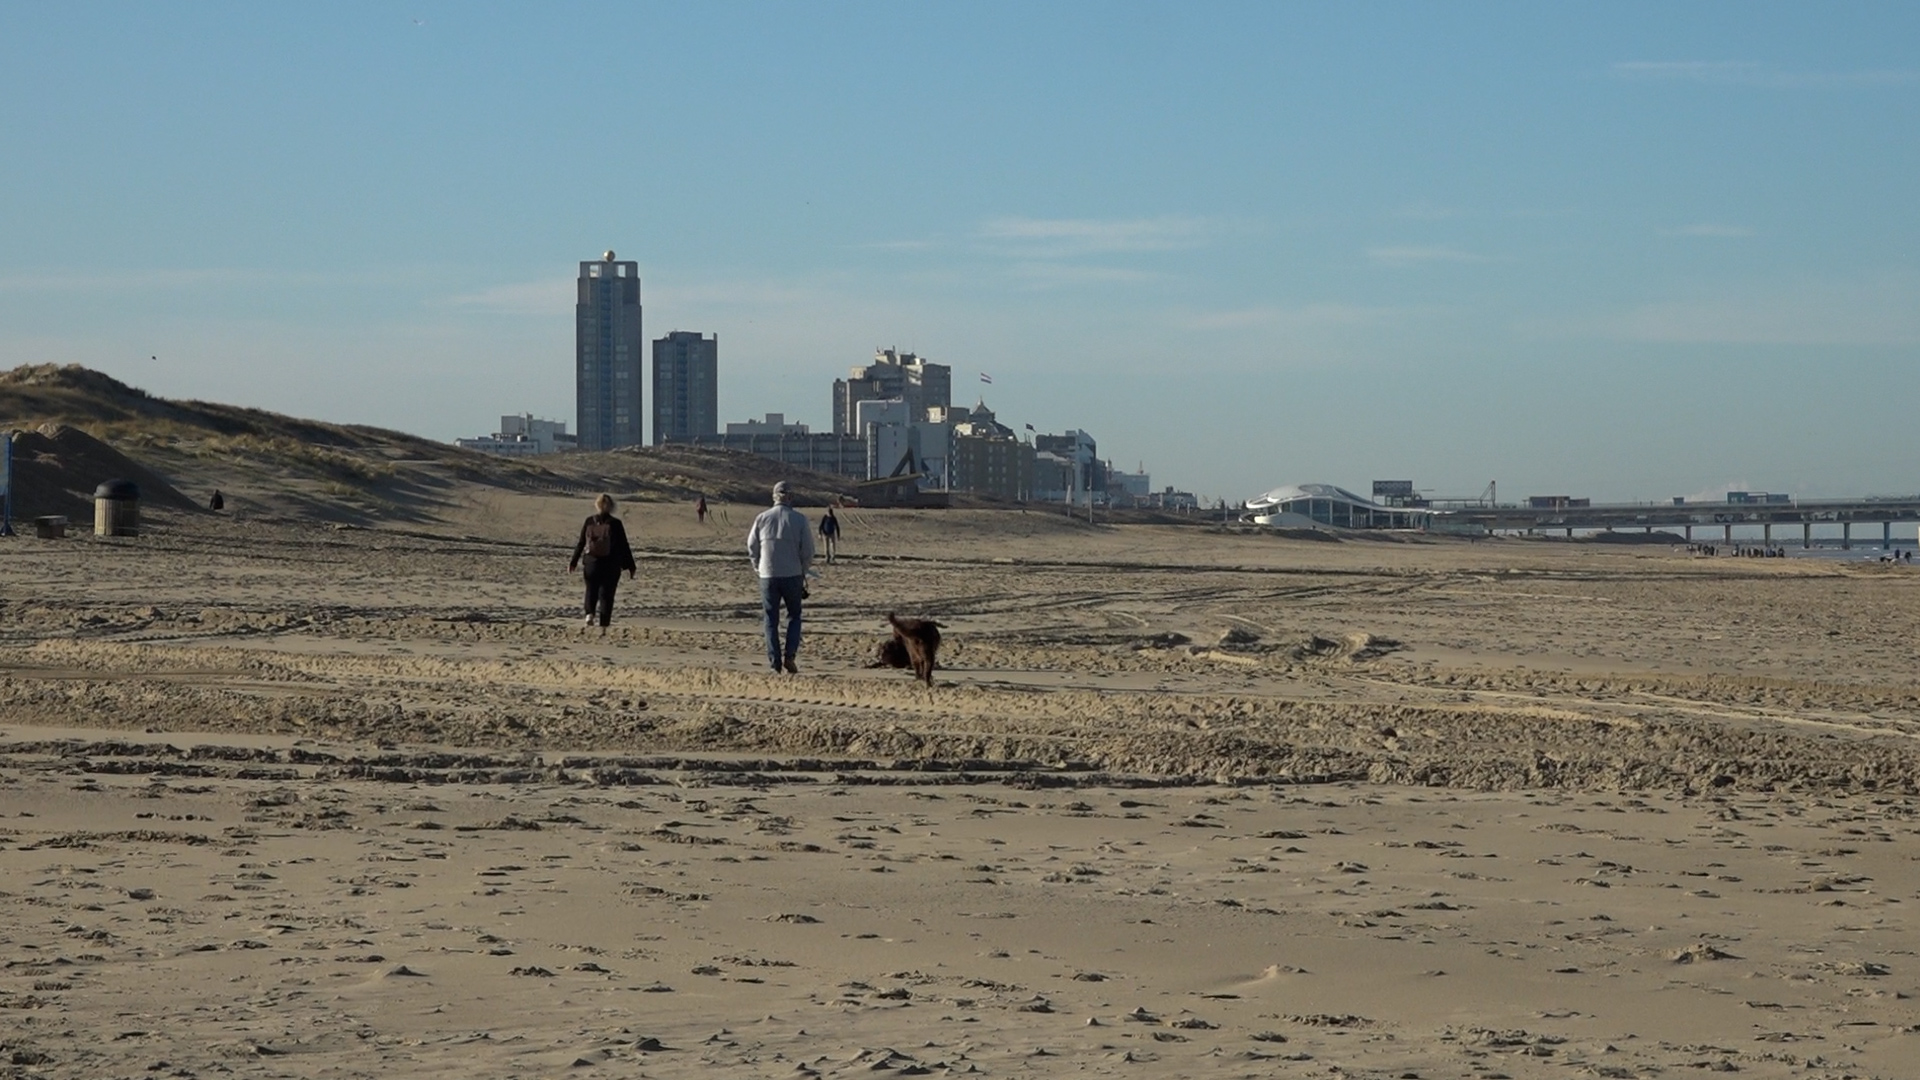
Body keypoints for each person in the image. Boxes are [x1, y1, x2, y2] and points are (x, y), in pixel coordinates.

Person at [748, 481, 815, 674]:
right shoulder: (799, 519)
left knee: (770, 619)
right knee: (794, 616)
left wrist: (758, 567)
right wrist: (802, 569)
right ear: (791, 498)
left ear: (774, 497)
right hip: (792, 574)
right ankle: (790, 655)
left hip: (768, 575)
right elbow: (808, 551)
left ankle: (774, 661)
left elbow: (752, 546)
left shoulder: (762, 518)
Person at [568, 493, 636, 633]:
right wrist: (630, 565)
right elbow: (624, 545)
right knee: (606, 594)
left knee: (591, 590)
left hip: (591, 562)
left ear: (597, 505)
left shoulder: (589, 521)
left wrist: (573, 561)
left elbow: (581, 543)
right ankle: (604, 624)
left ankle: (589, 614)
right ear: (611, 506)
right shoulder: (615, 524)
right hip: (611, 564)